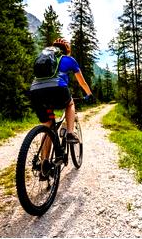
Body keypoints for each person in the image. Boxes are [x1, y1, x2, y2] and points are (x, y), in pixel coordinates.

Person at [30, 38, 93, 178]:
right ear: (67, 50)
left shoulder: (44, 58)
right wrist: (89, 94)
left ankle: (43, 164)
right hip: (57, 89)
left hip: (35, 92)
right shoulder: (68, 59)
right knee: (70, 104)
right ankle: (70, 132)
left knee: (47, 127)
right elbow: (82, 82)